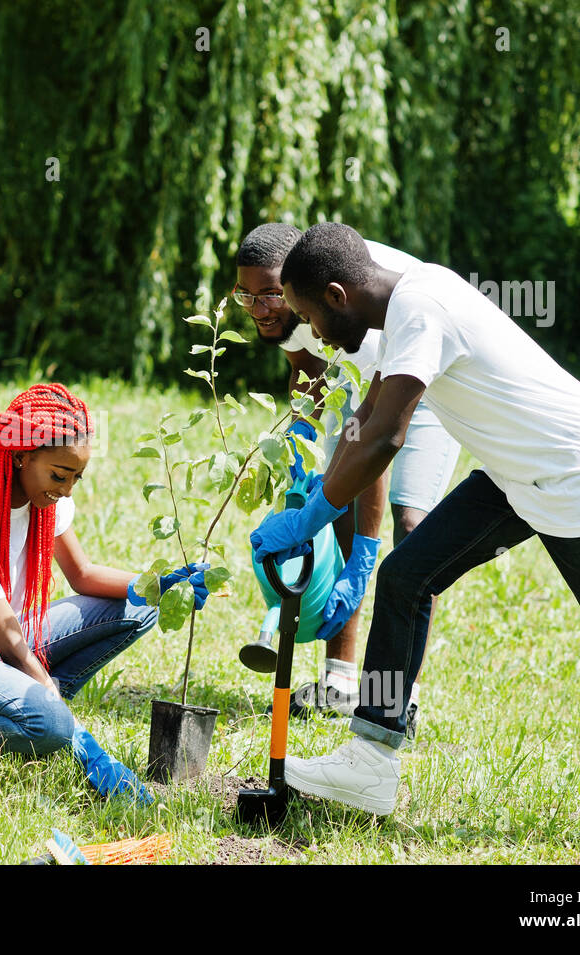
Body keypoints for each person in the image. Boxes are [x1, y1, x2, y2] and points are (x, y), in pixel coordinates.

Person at [251, 222, 580, 864]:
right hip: (515, 474)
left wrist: (313, 518)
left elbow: (385, 438)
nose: (313, 336)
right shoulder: (392, 315)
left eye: (308, 317)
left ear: (336, 293)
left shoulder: (422, 309)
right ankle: (372, 758)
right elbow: (361, 423)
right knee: (407, 576)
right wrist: (314, 502)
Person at [0, 384, 209, 800]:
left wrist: (159, 586)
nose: (67, 489)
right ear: (22, 455)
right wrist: (66, 718)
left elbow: (83, 575)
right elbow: (4, 632)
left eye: (76, 478)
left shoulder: (46, 500)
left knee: (137, 608)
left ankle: (26, 699)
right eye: (59, 475)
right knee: (49, 725)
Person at [234, 223, 461, 735]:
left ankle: (400, 695)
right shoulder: (280, 304)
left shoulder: (350, 309)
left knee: (410, 526)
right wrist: (299, 445)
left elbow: (377, 442)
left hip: (434, 385)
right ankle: (339, 682)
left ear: (299, 286)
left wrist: (362, 553)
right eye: (246, 296)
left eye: (271, 295)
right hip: (366, 389)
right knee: (331, 505)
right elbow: (307, 371)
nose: (260, 308)